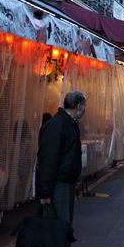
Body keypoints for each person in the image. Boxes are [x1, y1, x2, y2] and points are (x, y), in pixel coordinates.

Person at [37, 91, 87, 225]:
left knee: (63, 224)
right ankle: (58, 246)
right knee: (59, 226)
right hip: (58, 185)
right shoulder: (57, 125)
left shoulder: (70, 123)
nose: (84, 110)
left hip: (66, 182)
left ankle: (62, 246)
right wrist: (45, 192)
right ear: (77, 106)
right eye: (84, 106)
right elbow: (48, 160)